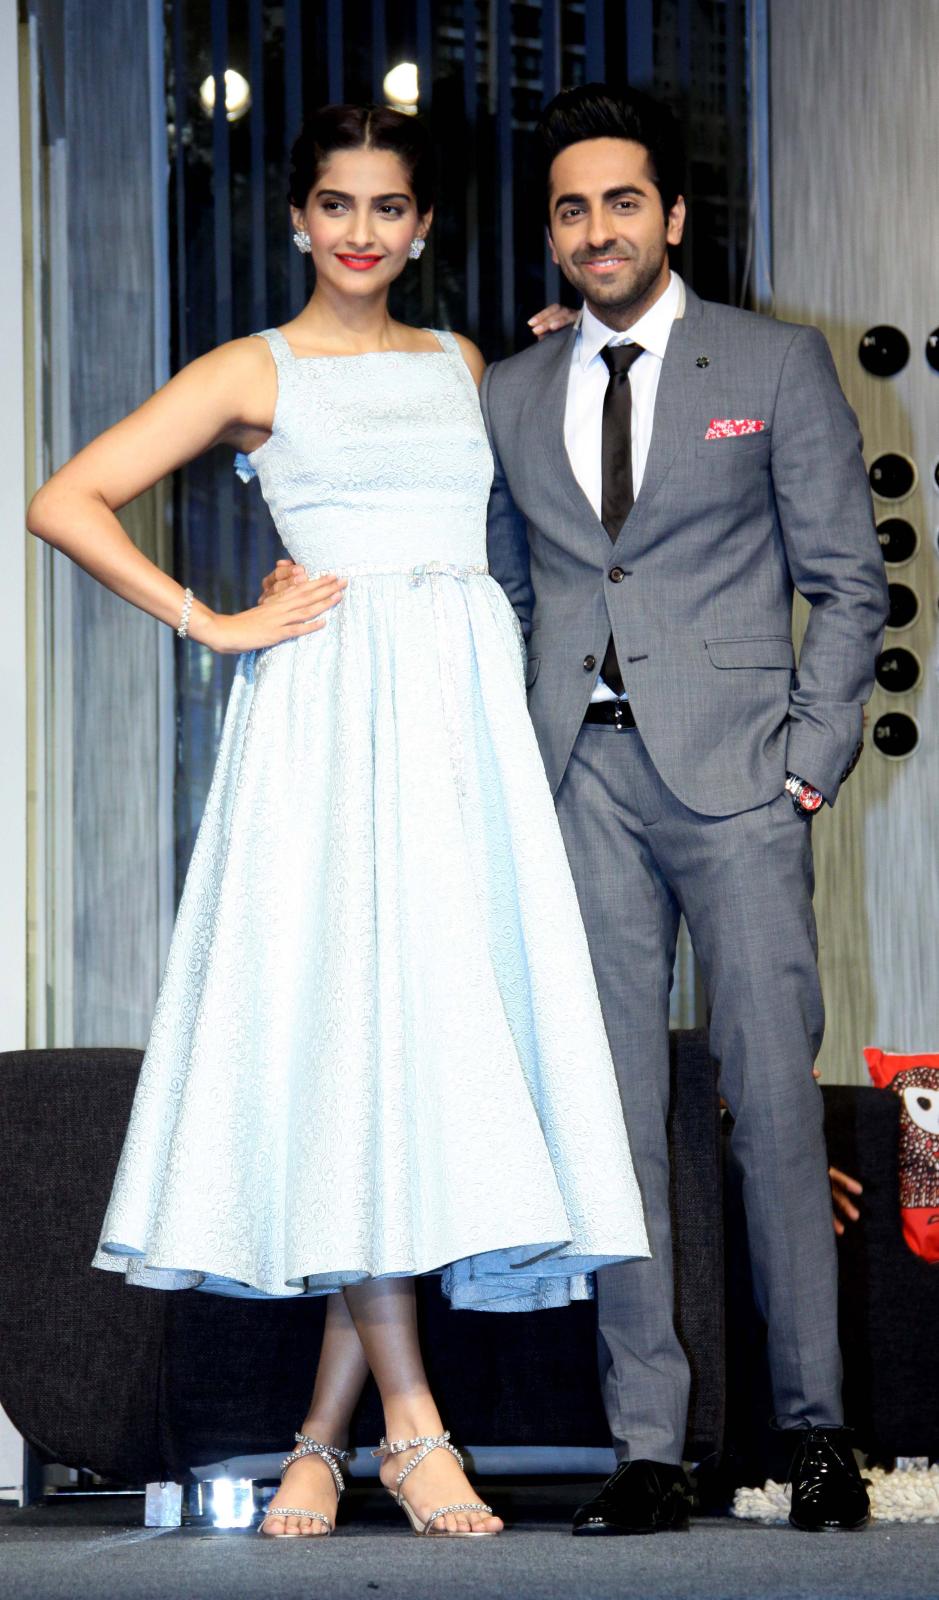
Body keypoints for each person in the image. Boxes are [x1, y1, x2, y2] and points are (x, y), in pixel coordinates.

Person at [26, 102, 651, 1541]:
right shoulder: (256, 367)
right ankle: (414, 1428)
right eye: (335, 204)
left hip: (460, 728)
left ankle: (321, 1438)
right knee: (356, 1042)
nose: (360, 231)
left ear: (421, 228)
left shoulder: (463, 363)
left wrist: (566, 359)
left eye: (388, 208)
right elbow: (67, 500)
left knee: (408, 1063)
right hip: (326, 725)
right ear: (299, 219)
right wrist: (217, 624)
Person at [272, 83, 886, 1536]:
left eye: (622, 202)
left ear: (671, 215)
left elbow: (847, 580)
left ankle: (817, 1435)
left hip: (741, 786)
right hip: (577, 791)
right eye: (571, 209)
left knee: (773, 1111)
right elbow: (490, 577)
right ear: (549, 235)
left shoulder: (775, 363)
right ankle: (650, 1447)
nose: (598, 228)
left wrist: (809, 761)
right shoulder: (509, 390)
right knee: (608, 1133)